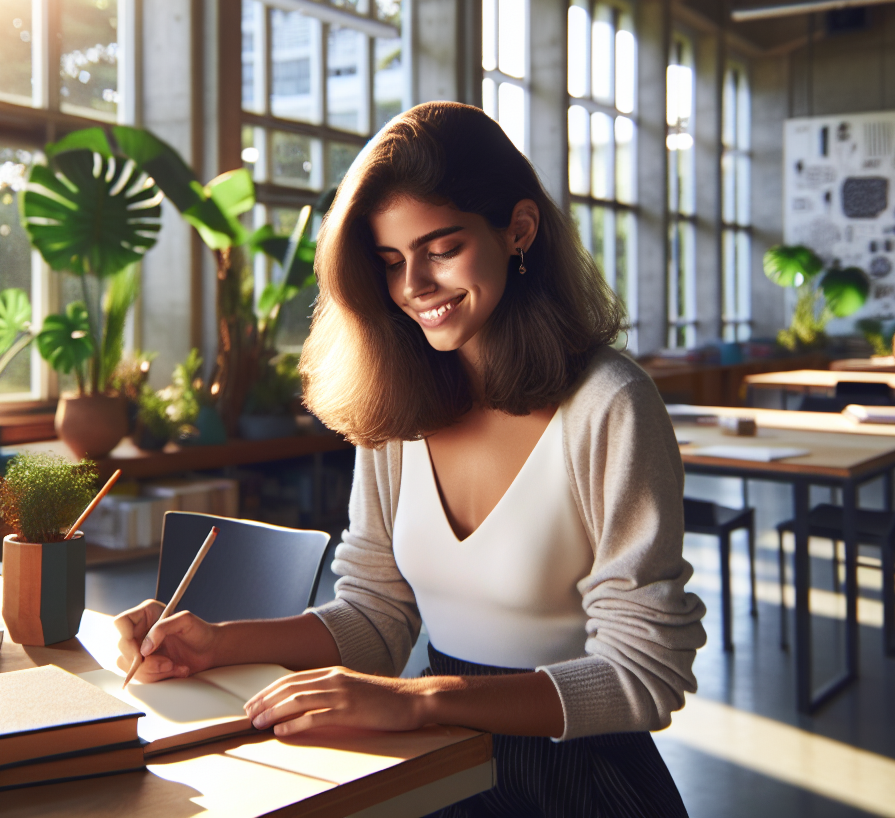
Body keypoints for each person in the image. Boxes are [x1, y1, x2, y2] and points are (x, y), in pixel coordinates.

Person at [115, 102, 706, 817]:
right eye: (392, 262)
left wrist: (419, 698)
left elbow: (643, 675)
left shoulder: (610, 404)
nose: (414, 287)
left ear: (518, 229)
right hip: (440, 759)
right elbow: (375, 617)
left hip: (578, 777)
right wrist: (217, 644)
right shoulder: (403, 406)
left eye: (441, 248)